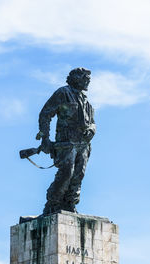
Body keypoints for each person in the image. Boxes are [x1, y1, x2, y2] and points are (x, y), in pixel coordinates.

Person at [36, 67, 96, 215]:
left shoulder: (86, 101)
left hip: (83, 144)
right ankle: (53, 204)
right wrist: (45, 138)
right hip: (66, 143)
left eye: (88, 79)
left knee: (78, 175)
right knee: (66, 173)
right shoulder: (63, 93)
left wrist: (92, 130)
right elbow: (45, 114)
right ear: (76, 78)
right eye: (85, 79)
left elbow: (93, 121)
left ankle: (70, 203)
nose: (88, 82)